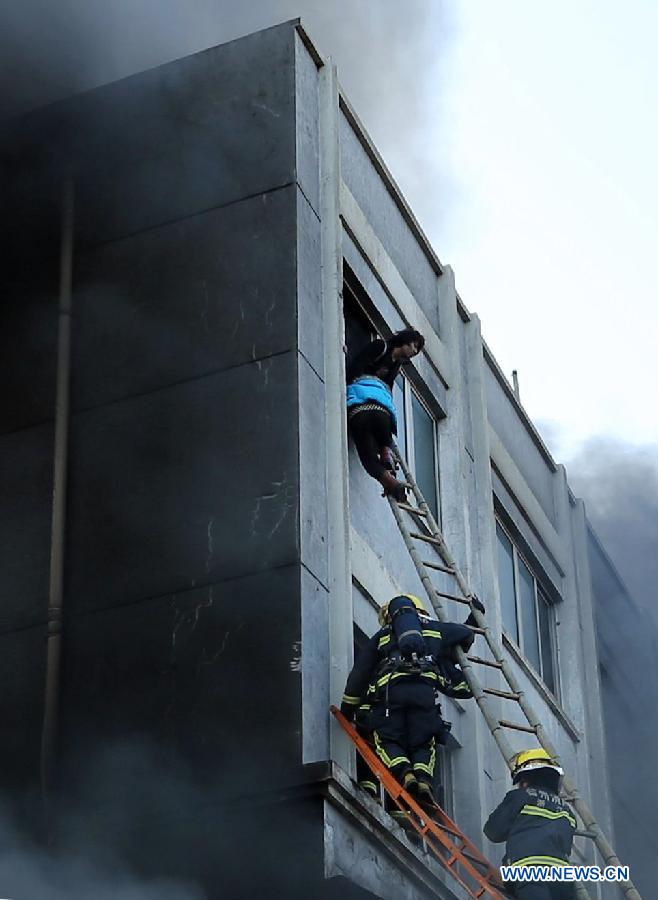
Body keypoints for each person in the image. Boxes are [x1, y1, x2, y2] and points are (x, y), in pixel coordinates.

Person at [340, 593, 480, 816]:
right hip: (424, 694)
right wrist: (474, 619)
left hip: (391, 695)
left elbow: (360, 673)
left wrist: (348, 708)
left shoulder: (383, 636)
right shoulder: (436, 630)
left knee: (388, 739)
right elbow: (463, 635)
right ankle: (424, 779)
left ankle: (405, 772)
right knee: (423, 742)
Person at [483, 748, 577, 899]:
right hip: (563, 880)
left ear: (526, 779)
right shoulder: (568, 811)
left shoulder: (520, 797)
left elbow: (493, 831)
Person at [346, 329, 424, 501]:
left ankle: (390, 478)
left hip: (361, 409)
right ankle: (386, 453)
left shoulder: (396, 365)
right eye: (414, 346)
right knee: (382, 438)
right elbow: (356, 366)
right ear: (405, 340)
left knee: (368, 459)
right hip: (380, 411)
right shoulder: (380, 346)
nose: (414, 351)